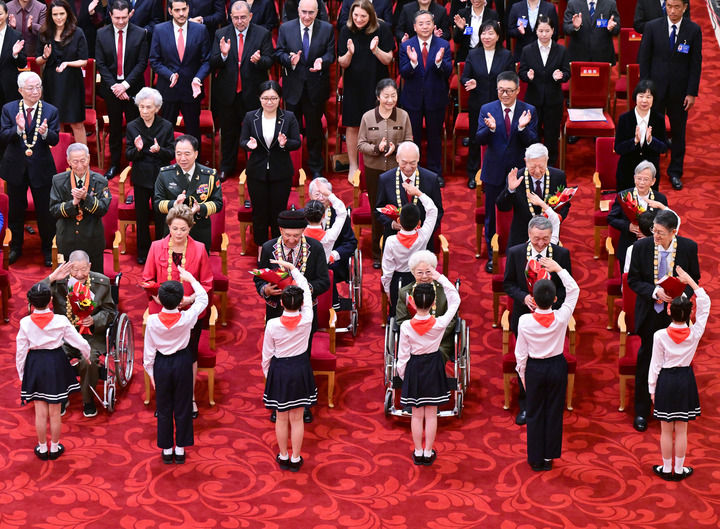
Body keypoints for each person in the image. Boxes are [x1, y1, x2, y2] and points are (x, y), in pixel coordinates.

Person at [254, 208, 330, 424]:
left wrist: (303, 290)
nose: (291, 240)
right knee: (276, 359)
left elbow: (324, 281)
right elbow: (258, 279)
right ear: (280, 230)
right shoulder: (268, 248)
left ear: (303, 231)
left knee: (301, 358)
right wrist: (266, 290)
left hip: (305, 314)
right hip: (277, 312)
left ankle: (302, 403)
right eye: (287, 235)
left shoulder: (315, 248)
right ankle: (278, 402)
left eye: (296, 236)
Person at [627, 209, 699, 432]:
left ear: (673, 232)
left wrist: (680, 297)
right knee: (647, 360)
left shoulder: (688, 247)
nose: (655, 236)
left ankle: (670, 408)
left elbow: (694, 278)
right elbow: (633, 280)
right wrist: (654, 292)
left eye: (660, 232)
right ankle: (641, 410)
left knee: (674, 364)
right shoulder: (641, 247)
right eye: (654, 230)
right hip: (650, 312)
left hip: (675, 315)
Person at [142, 204, 213, 420]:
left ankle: (190, 398)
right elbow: (147, 279)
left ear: (190, 228)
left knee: (189, 355)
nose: (179, 233)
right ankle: (163, 399)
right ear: (169, 227)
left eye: (183, 229)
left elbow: (207, 283)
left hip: (190, 313)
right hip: (162, 312)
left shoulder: (199, 249)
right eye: (174, 229)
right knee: (161, 357)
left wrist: (190, 300)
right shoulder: (156, 247)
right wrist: (160, 299)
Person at [503, 215, 572, 425]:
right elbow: (508, 284)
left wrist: (550, 304)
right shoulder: (516, 253)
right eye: (536, 239)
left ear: (551, 236)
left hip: (551, 318)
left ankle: (550, 404)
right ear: (529, 235)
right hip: (524, 317)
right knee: (525, 361)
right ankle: (526, 404)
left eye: (545, 239)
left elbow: (566, 288)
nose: (541, 243)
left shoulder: (561, 254)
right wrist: (524, 297)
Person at [515, 256, 579, 471]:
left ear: (533, 298)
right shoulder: (562, 316)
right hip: (557, 367)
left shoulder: (524, 321)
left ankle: (535, 459)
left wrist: (523, 377)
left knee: (534, 412)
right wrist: (559, 269)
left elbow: (520, 354)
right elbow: (574, 290)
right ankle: (549, 456)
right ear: (555, 299)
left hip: (534, 368)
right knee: (553, 411)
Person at [16, 281, 90, 460]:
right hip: (55, 362)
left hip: (35, 363)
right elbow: (79, 341)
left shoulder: (25, 322)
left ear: (31, 302)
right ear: (50, 300)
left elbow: (20, 351)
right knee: (55, 412)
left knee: (40, 412)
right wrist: (86, 354)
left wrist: (22, 374)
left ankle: (42, 448)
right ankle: (55, 447)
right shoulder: (60, 320)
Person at [144, 265, 208, 464]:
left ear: (159, 299)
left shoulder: (152, 321)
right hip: (182, 362)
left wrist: (151, 374)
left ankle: (166, 448)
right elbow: (203, 298)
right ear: (181, 301)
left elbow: (148, 352)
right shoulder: (187, 317)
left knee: (164, 408)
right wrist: (191, 278)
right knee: (183, 405)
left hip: (161, 364)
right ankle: (180, 448)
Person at [649, 266, 708, 482]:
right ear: (689, 314)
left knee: (666, 430)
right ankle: (680, 469)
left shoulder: (659, 335)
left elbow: (655, 365)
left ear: (668, 311)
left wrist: (652, 389)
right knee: (682, 430)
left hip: (666, 380)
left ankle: (666, 468)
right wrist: (690, 281)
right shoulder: (695, 333)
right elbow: (705, 304)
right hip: (685, 380)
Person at [476, 70, 538, 272]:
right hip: (494, 171)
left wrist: (522, 128)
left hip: (519, 173)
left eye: (509, 91)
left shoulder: (528, 110)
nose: (505, 94)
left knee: (521, 213)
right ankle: (492, 254)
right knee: (492, 215)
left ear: (518, 90)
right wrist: (491, 129)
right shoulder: (487, 109)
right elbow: (479, 139)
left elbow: (533, 142)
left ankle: (520, 253)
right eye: (501, 90)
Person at [397, 269, 459, 466]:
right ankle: (428, 451)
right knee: (431, 414)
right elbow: (455, 299)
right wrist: (439, 276)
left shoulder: (406, 326)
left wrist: (404, 375)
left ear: (413, 303)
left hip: (414, 368)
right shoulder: (440, 323)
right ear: (433, 304)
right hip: (434, 366)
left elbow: (402, 355)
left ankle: (417, 451)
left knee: (416, 414)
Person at [637, 0, 701, 191]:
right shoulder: (652, 27)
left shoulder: (693, 30)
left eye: (677, 7)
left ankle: (675, 172)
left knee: (679, 133)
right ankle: (650, 171)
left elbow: (695, 64)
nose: (672, 11)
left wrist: (691, 92)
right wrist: (645, 90)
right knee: (652, 131)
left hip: (679, 93)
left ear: (685, 7)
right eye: (669, 6)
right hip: (655, 92)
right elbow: (644, 59)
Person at [44, 251, 115, 418]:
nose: (79, 274)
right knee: (54, 357)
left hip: (91, 337)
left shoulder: (102, 282)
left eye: (83, 269)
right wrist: (51, 278)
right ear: (69, 267)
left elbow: (110, 312)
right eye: (75, 270)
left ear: (90, 266)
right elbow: (35, 295)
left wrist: (94, 320)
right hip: (64, 336)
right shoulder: (60, 282)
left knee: (88, 361)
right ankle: (61, 396)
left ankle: (88, 399)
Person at [261, 259, 317, 472]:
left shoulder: (272, 324)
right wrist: (293, 269)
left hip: (280, 370)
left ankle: (283, 454)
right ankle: (295, 457)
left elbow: (267, 354)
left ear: (282, 304)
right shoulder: (307, 318)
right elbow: (307, 291)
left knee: (281, 417)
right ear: (301, 304)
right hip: (300, 367)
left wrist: (269, 375)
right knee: (298, 417)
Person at [0, 71, 59, 267]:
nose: (35, 91)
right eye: (30, 88)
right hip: (15, 166)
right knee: (15, 210)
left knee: (45, 212)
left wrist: (46, 133)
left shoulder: (50, 110)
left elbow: (55, 139)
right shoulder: (9, 109)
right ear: (20, 90)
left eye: (38, 87)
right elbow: (3, 136)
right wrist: (17, 129)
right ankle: (16, 247)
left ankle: (48, 249)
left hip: (41, 168)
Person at [210, 0, 274, 181]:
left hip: (252, 92)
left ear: (250, 16)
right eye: (236, 18)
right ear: (230, 17)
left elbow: (270, 60)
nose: (239, 21)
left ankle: (254, 167)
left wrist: (259, 60)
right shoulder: (221, 34)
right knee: (228, 132)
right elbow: (213, 61)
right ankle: (226, 167)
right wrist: (223, 55)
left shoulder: (262, 34)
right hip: (228, 93)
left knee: (254, 132)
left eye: (243, 17)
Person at [275, 0, 334, 179]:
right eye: (304, 12)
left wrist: (322, 61)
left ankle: (316, 167)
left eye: (311, 13)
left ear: (317, 11)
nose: (307, 17)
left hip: (316, 87)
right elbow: (279, 53)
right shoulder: (286, 28)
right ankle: (292, 166)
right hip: (293, 87)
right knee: (292, 129)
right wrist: (289, 60)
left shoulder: (327, 29)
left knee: (314, 130)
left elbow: (330, 54)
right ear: (298, 10)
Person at [238, 80, 302, 247]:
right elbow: (242, 140)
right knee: (259, 211)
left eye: (273, 98)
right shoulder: (251, 117)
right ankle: (261, 246)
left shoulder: (288, 117)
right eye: (265, 98)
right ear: (259, 98)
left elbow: (297, 142)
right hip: (256, 171)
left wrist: (284, 144)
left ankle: (276, 246)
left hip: (281, 171)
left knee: (278, 211)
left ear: (280, 99)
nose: (269, 102)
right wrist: (248, 145)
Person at [357, 79, 413, 267]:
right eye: (386, 96)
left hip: (397, 170)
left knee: (398, 209)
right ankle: (377, 252)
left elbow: (409, 140)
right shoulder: (367, 117)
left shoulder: (403, 116)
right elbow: (360, 144)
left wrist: (397, 147)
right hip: (375, 171)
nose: (390, 100)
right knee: (378, 210)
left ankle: (398, 251)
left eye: (393, 96)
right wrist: (376, 148)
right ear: (378, 96)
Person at [337, 0, 393, 177]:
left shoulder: (382, 29)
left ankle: (376, 164)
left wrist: (376, 50)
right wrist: (349, 53)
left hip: (376, 84)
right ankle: (353, 166)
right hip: (354, 84)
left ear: (371, 16)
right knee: (353, 124)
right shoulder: (346, 30)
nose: (359, 19)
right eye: (355, 15)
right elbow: (342, 62)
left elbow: (388, 59)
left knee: (378, 124)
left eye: (363, 16)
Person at [95, 0, 150, 180]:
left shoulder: (140, 33)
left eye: (124, 17)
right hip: (111, 89)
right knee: (115, 128)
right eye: (117, 18)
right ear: (110, 15)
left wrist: (125, 85)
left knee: (135, 128)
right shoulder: (101, 34)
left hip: (133, 89)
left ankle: (135, 165)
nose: (120, 21)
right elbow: (101, 64)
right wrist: (116, 87)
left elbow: (141, 63)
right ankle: (114, 164)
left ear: (130, 14)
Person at [398, 10, 452, 186]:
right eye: (420, 24)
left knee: (434, 137)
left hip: (435, 98)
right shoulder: (407, 46)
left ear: (434, 25)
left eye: (428, 23)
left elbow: (448, 71)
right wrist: (413, 63)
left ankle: (435, 174)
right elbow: (404, 73)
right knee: (413, 137)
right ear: (414, 27)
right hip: (412, 99)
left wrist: (438, 62)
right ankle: (414, 173)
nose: (425, 27)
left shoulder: (443, 44)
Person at [460, 19, 514, 189]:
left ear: (498, 36)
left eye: (491, 33)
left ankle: (499, 174)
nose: (486, 37)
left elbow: (511, 78)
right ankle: (473, 173)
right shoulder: (473, 54)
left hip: (501, 105)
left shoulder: (506, 55)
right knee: (476, 139)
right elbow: (464, 77)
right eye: (483, 33)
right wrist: (470, 82)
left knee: (500, 139)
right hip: (478, 104)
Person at [149, 0, 211, 146]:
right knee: (165, 135)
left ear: (188, 8)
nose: (181, 13)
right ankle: (165, 161)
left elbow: (207, 61)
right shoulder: (159, 30)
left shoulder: (200, 30)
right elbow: (154, 60)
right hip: (168, 90)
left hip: (191, 91)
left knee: (193, 134)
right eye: (177, 10)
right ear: (170, 11)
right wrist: (169, 75)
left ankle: (195, 161)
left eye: (184, 9)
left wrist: (198, 78)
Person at [125, 87, 175, 264]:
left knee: (161, 215)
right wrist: (138, 150)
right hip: (141, 176)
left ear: (157, 108)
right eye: (141, 107)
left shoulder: (166, 126)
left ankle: (161, 249)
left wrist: (159, 150)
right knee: (142, 216)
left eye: (148, 107)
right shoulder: (132, 126)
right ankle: (143, 251)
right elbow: (128, 154)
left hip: (160, 177)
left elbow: (171, 153)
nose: (144, 111)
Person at [154, 134, 223, 252]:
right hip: (174, 231)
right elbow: (157, 203)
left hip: (200, 230)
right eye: (178, 154)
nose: (182, 158)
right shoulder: (165, 174)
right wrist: (174, 204)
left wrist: (199, 208)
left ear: (196, 154)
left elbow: (218, 203)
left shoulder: (209, 175)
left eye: (187, 154)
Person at [48, 143, 111, 273]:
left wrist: (86, 198)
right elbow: (54, 210)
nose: (80, 165)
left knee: (94, 278)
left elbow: (103, 209)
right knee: (67, 280)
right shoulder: (58, 180)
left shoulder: (100, 181)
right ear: (68, 161)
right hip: (67, 238)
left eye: (83, 161)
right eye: (75, 162)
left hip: (92, 238)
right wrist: (73, 203)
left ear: (89, 158)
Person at [518, 15, 569, 167]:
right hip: (533, 100)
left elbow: (567, 72)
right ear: (536, 31)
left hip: (553, 100)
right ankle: (532, 165)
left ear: (553, 31)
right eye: (541, 31)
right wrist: (527, 76)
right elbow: (521, 72)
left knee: (551, 135)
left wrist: (561, 76)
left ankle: (550, 166)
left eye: (547, 30)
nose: (544, 34)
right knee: (532, 135)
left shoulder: (561, 50)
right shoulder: (527, 50)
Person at [381, 182, 438, 319]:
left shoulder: (391, 241)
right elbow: (432, 210)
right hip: (420, 279)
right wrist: (418, 193)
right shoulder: (423, 236)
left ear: (399, 221)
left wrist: (387, 289)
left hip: (398, 281)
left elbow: (387, 269)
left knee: (398, 314)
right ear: (419, 223)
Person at [496, 143, 570, 248]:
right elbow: (502, 207)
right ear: (526, 161)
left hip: (548, 237)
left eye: (541, 166)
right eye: (533, 167)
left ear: (547, 160)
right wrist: (510, 190)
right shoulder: (516, 177)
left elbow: (565, 205)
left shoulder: (558, 176)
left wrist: (556, 218)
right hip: (521, 238)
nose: (537, 171)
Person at [375, 141, 444, 253]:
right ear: (397, 158)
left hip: (422, 243)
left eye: (412, 163)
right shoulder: (385, 179)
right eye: (404, 162)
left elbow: (438, 211)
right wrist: (393, 224)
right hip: (395, 240)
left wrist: (423, 232)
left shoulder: (431, 179)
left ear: (418, 159)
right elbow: (378, 210)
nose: (408, 167)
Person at [36, 0, 88, 145]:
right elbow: (38, 60)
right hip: (52, 81)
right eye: (55, 14)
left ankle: (83, 157)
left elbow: (84, 60)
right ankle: (60, 157)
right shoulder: (44, 32)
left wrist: (68, 63)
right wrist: (45, 56)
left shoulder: (77, 32)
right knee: (56, 123)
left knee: (76, 123)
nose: (58, 17)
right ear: (50, 16)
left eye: (61, 14)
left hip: (72, 82)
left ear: (68, 14)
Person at [396, 250, 457, 363]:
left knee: (436, 356)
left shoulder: (444, 291)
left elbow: (452, 320)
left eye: (428, 272)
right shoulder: (405, 293)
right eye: (419, 273)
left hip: (440, 341)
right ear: (413, 272)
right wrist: (418, 337)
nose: (424, 276)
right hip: (413, 341)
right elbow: (401, 320)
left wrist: (434, 335)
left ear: (434, 271)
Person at [608, 161, 668, 272]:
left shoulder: (660, 199)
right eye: (639, 178)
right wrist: (628, 226)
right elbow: (611, 218)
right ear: (634, 178)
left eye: (646, 179)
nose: (641, 183)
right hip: (628, 245)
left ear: (653, 181)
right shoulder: (624, 196)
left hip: (653, 248)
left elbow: (665, 224)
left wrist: (650, 233)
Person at [307, 177, 357, 302]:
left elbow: (351, 243)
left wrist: (334, 255)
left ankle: (331, 301)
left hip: (335, 264)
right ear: (310, 195)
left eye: (324, 194)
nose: (321, 198)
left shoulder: (337, 215)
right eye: (317, 194)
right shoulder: (303, 216)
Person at [614, 80, 668, 191]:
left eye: (648, 97)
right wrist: (634, 141)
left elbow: (664, 148)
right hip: (627, 172)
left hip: (649, 175)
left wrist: (651, 140)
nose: (644, 100)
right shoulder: (624, 119)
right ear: (635, 97)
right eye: (641, 96)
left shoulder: (658, 119)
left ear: (653, 99)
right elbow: (618, 148)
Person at [562, 0, 619, 65]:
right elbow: (566, 28)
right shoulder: (573, 3)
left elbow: (617, 29)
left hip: (603, 56)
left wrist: (612, 27)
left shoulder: (610, 3)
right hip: (579, 56)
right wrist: (575, 27)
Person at [0, 1, 27, 111]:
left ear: (7, 14)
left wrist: (15, 54)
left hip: (9, 87)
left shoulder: (15, 36)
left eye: (0, 13)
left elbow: (23, 63)